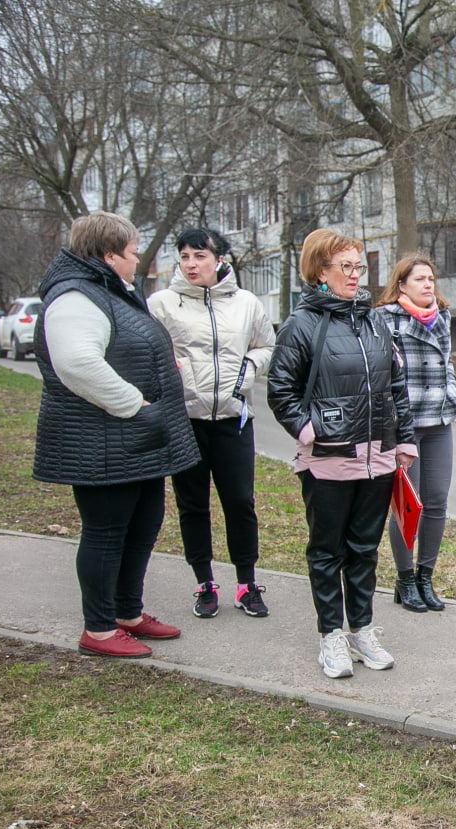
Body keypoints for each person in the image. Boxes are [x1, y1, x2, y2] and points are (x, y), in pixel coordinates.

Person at [33, 211, 200, 658]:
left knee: (143, 524)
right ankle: (100, 628)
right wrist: (135, 405)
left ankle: (128, 612)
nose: (136, 261)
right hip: (102, 442)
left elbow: (123, 347)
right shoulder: (74, 297)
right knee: (106, 532)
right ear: (108, 256)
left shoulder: (109, 292)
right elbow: (78, 364)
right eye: (131, 253)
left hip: (133, 441)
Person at [267, 228, 417, 680]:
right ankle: (331, 634)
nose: (355, 275)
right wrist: (307, 428)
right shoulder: (302, 323)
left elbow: (396, 387)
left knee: (364, 549)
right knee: (326, 550)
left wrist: (403, 440)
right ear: (319, 273)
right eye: (345, 267)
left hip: (377, 456)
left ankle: (362, 629)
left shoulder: (374, 321)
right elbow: (280, 389)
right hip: (328, 458)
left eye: (358, 266)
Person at [148, 227, 276, 619]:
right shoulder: (162, 304)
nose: (191, 264)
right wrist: (174, 373)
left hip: (234, 419)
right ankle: (204, 584)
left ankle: (246, 584)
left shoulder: (246, 303)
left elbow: (266, 345)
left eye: (200, 256)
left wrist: (250, 368)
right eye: (184, 256)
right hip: (186, 420)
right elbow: (150, 353)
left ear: (219, 259)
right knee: (192, 504)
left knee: (240, 502)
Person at [372, 252, 456, 614]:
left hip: (439, 422)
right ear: (401, 284)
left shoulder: (442, 317)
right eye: (419, 279)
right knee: (409, 506)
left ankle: (426, 577)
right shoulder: (385, 319)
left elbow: (448, 361)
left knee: (437, 502)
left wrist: (451, 391)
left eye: (431, 279)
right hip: (405, 427)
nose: (427, 285)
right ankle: (404, 579)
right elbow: (382, 374)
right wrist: (394, 424)